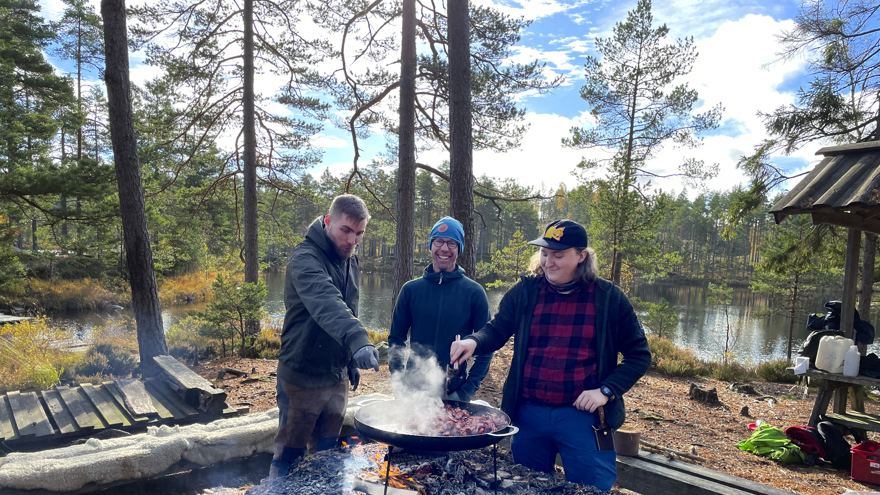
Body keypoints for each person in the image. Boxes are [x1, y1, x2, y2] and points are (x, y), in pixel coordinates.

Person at [449, 219, 650, 490]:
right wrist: (474, 341)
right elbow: (497, 329)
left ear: (581, 256)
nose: (548, 262)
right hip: (529, 414)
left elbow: (639, 355)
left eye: (558, 255)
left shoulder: (609, 298)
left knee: (588, 490)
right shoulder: (526, 292)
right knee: (528, 487)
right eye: (544, 253)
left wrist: (605, 390)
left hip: (582, 418)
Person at [271, 194, 380, 478]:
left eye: (359, 234)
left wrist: (350, 360)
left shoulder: (349, 261)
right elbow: (326, 302)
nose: (352, 240)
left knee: (328, 452)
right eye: (346, 230)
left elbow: (348, 309)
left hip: (336, 375)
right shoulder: (305, 258)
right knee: (289, 455)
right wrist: (358, 339)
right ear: (328, 221)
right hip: (303, 375)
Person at [388, 216, 493, 401]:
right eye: (438, 241)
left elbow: (486, 346)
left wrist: (467, 390)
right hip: (414, 392)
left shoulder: (474, 292)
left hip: (454, 391)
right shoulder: (410, 290)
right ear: (430, 245)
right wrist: (399, 384)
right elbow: (396, 340)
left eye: (452, 243)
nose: (444, 248)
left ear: (459, 248)